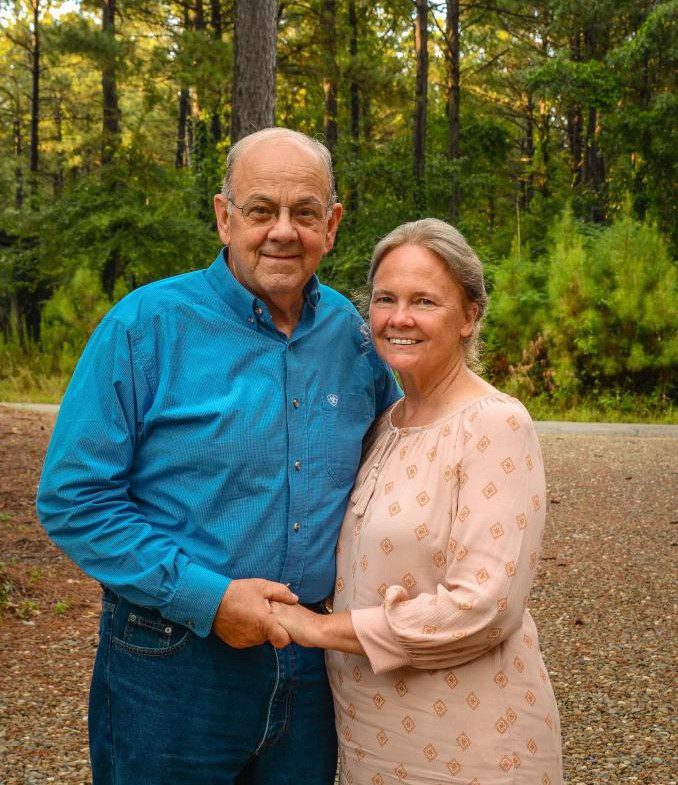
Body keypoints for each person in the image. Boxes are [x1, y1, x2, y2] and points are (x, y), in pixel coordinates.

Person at [36, 127, 401, 785]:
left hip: (314, 663)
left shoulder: (352, 334)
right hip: (172, 663)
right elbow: (73, 497)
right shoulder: (145, 326)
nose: (283, 231)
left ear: (333, 224)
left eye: (305, 212)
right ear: (224, 216)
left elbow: (405, 460)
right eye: (261, 210)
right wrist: (207, 596)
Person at [272, 218, 563, 784]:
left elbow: (483, 607)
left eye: (424, 301)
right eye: (386, 299)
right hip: (369, 733)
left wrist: (314, 629)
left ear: (469, 315)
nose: (398, 318)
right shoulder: (388, 423)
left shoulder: (495, 423)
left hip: (470, 740)